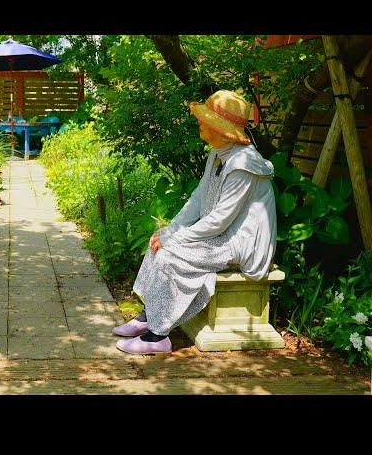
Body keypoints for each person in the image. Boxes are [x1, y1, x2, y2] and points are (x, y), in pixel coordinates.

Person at [113, 89, 277, 355]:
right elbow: (199, 199)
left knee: (171, 255)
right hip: (221, 234)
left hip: (240, 243)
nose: (200, 122)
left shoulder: (244, 164)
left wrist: (174, 239)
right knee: (159, 241)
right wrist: (171, 229)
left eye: (206, 119)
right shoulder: (218, 154)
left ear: (222, 130)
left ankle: (158, 336)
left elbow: (220, 220)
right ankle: (150, 316)